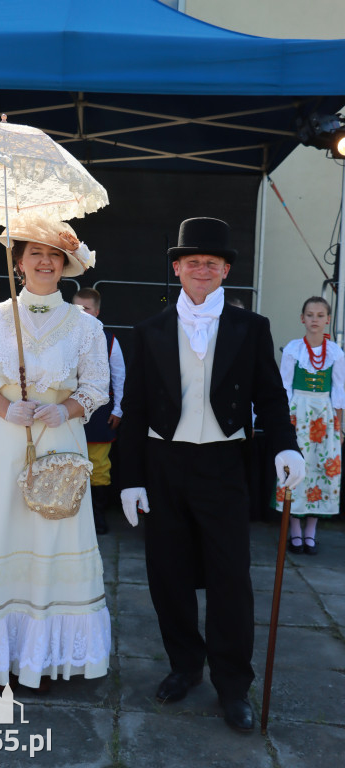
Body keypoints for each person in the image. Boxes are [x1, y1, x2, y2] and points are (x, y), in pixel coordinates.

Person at [119, 217, 305, 733]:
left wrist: (285, 447)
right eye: (192, 261)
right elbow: (133, 408)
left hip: (225, 466)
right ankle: (185, 665)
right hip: (164, 464)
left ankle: (232, 684)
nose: (202, 269)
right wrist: (130, 477)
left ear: (226, 270)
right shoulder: (149, 329)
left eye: (212, 262)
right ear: (177, 268)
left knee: (230, 579)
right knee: (168, 575)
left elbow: (270, 396)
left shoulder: (253, 328)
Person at [0, 216, 111, 691]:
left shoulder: (87, 327)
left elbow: (97, 387)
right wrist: (6, 408)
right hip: (1, 446)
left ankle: (44, 654)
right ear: (19, 261)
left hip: (61, 442)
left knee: (52, 539)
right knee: (1, 534)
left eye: (54, 254)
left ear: (67, 263)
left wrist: (65, 410)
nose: (45, 261)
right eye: (35, 252)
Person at [275, 296, 345, 554]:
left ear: (328, 320)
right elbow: (284, 387)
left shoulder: (336, 353)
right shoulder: (294, 350)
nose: (314, 319)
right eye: (310, 314)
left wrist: (339, 426)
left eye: (320, 315)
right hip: (298, 413)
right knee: (297, 466)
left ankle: (311, 531)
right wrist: (285, 423)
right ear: (302, 319)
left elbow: (339, 391)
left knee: (320, 467)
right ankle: (294, 529)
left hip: (324, 416)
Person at [73, 287, 125, 534]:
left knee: (99, 466)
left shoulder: (110, 340)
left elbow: (119, 376)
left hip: (100, 415)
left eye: (87, 309)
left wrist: (118, 409)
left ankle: (97, 517)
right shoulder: (63, 336)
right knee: (70, 463)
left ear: (97, 311)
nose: (83, 314)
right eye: (78, 309)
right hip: (69, 415)